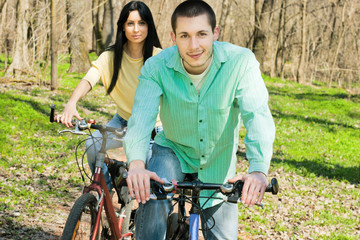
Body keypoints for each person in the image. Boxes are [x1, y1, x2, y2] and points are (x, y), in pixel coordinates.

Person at [124, 0, 276, 239]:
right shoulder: (156, 67)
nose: (194, 45)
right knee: (152, 197)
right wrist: (136, 165)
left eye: (201, 34)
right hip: (173, 149)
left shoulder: (241, 63)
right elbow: (141, 118)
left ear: (215, 33)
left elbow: (257, 115)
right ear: (173, 37)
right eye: (185, 35)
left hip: (219, 159)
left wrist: (258, 169)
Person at [57, 1, 162, 190]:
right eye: (130, 23)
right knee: (92, 144)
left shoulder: (159, 58)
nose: (136, 29)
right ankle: (105, 192)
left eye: (141, 23)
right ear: (122, 26)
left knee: (144, 166)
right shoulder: (111, 56)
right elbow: (89, 79)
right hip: (123, 120)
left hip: (153, 126)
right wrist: (71, 103)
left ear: (149, 26)